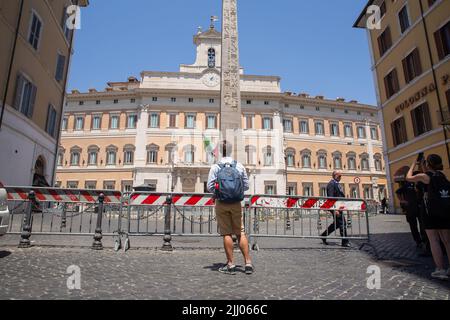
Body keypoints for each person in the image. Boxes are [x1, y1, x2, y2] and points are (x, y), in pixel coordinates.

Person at [207, 141, 254, 275]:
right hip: (236, 203)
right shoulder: (239, 166)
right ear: (231, 150)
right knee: (240, 232)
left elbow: (210, 186)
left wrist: (220, 192)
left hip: (222, 202)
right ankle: (248, 263)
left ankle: (231, 264)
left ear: (220, 152)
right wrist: (235, 190)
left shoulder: (216, 166)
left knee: (227, 233)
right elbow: (246, 186)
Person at [406, 154, 450, 280]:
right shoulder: (442, 176)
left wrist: (414, 163)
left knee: (434, 241)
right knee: (447, 241)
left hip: (431, 212)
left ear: (428, 164)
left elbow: (408, 178)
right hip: (445, 211)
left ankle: (440, 269)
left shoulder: (425, 176)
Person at [320, 171, 350, 247]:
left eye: (341, 176)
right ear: (334, 176)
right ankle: (345, 241)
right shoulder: (331, 184)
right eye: (339, 176)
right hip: (335, 207)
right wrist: (335, 209)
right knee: (342, 223)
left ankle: (323, 235)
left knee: (337, 224)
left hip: (339, 207)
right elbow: (331, 198)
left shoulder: (337, 184)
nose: (340, 177)